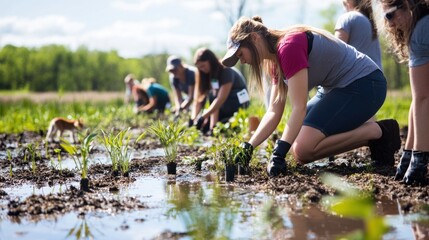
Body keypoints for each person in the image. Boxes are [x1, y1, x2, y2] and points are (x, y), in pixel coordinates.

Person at [222, 16, 401, 177]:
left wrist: (278, 153)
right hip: (336, 89)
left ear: (254, 38)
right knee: (294, 144)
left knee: (303, 149)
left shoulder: (288, 47)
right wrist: (249, 147)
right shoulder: (275, 62)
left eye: (241, 54)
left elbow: (299, 108)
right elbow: (274, 111)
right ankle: (366, 131)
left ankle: (378, 132)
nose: (242, 61)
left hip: (366, 85)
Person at [376, 0, 429, 184]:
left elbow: (422, 98)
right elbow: (419, 98)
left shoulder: (422, 31)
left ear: (407, 5)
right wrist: (408, 153)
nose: (389, 23)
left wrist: (419, 160)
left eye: (390, 15)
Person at [190, 48, 250, 135]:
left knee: (213, 98)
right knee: (204, 128)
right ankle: (214, 128)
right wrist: (194, 118)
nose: (202, 69)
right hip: (224, 105)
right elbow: (199, 99)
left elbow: (220, 99)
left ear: (210, 61)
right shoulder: (208, 74)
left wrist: (203, 117)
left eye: (203, 66)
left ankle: (219, 126)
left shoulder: (226, 70)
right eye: (199, 68)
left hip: (239, 101)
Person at [335, 0, 382, 68]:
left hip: (356, 75)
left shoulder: (347, 18)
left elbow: (336, 52)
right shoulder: (370, 22)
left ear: (348, 3)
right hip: (377, 75)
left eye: (344, 4)